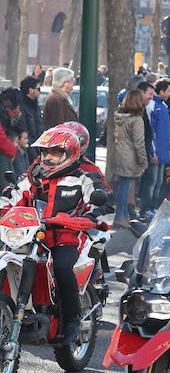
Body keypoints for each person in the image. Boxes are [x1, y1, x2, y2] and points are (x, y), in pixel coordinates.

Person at [0, 124, 107, 344]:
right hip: (30, 235)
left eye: (56, 152)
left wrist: (87, 217)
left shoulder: (83, 177)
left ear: (70, 154)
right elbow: (10, 198)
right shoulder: (33, 176)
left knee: (61, 267)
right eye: (45, 152)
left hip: (66, 236)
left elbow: (102, 207)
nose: (48, 156)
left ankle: (72, 320)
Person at [112, 90, 149, 227]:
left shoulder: (120, 117)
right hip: (130, 156)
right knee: (125, 187)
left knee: (123, 186)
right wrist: (143, 161)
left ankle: (124, 215)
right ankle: (120, 215)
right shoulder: (136, 120)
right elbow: (139, 142)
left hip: (120, 154)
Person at [144, 79, 170, 216]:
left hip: (163, 150)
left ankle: (153, 206)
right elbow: (151, 131)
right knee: (152, 181)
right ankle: (146, 207)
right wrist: (153, 152)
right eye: (168, 91)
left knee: (159, 181)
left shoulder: (163, 106)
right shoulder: (151, 105)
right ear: (161, 91)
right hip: (155, 151)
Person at [19, 76, 42, 163]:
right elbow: (24, 128)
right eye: (38, 88)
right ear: (30, 90)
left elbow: (39, 126)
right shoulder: (21, 106)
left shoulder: (36, 105)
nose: (40, 91)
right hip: (28, 149)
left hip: (38, 146)